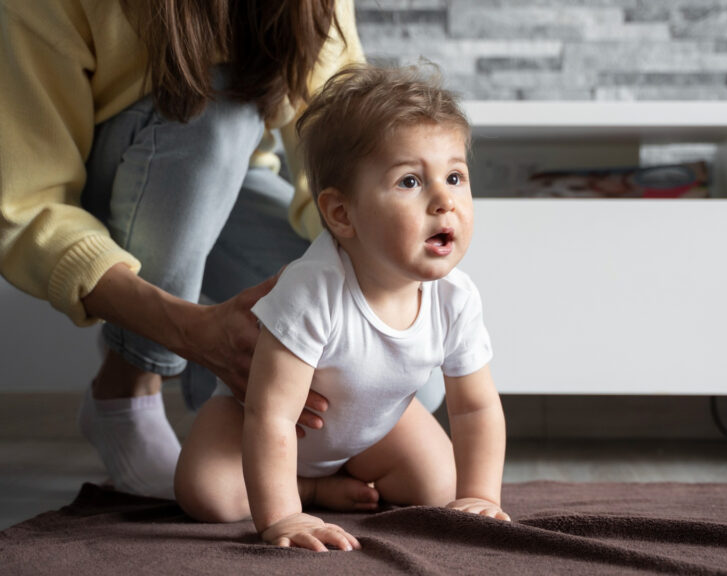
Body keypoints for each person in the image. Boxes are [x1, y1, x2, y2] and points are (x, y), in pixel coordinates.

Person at [0, 0, 444, 500]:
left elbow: (342, 135)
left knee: (404, 379)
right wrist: (191, 332)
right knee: (218, 115)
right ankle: (126, 389)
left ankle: (295, 472)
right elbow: (25, 204)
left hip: (236, 177)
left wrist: (379, 261)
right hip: (112, 189)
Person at [174, 62, 509, 552]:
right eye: (410, 182)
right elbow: (271, 416)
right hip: (262, 429)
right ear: (341, 213)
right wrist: (284, 516)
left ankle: (333, 479)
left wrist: (480, 496)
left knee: (440, 486)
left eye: (455, 176)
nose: (444, 200)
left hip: (369, 431)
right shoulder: (313, 291)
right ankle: (306, 490)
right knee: (208, 493)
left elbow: (476, 406)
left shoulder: (455, 298)